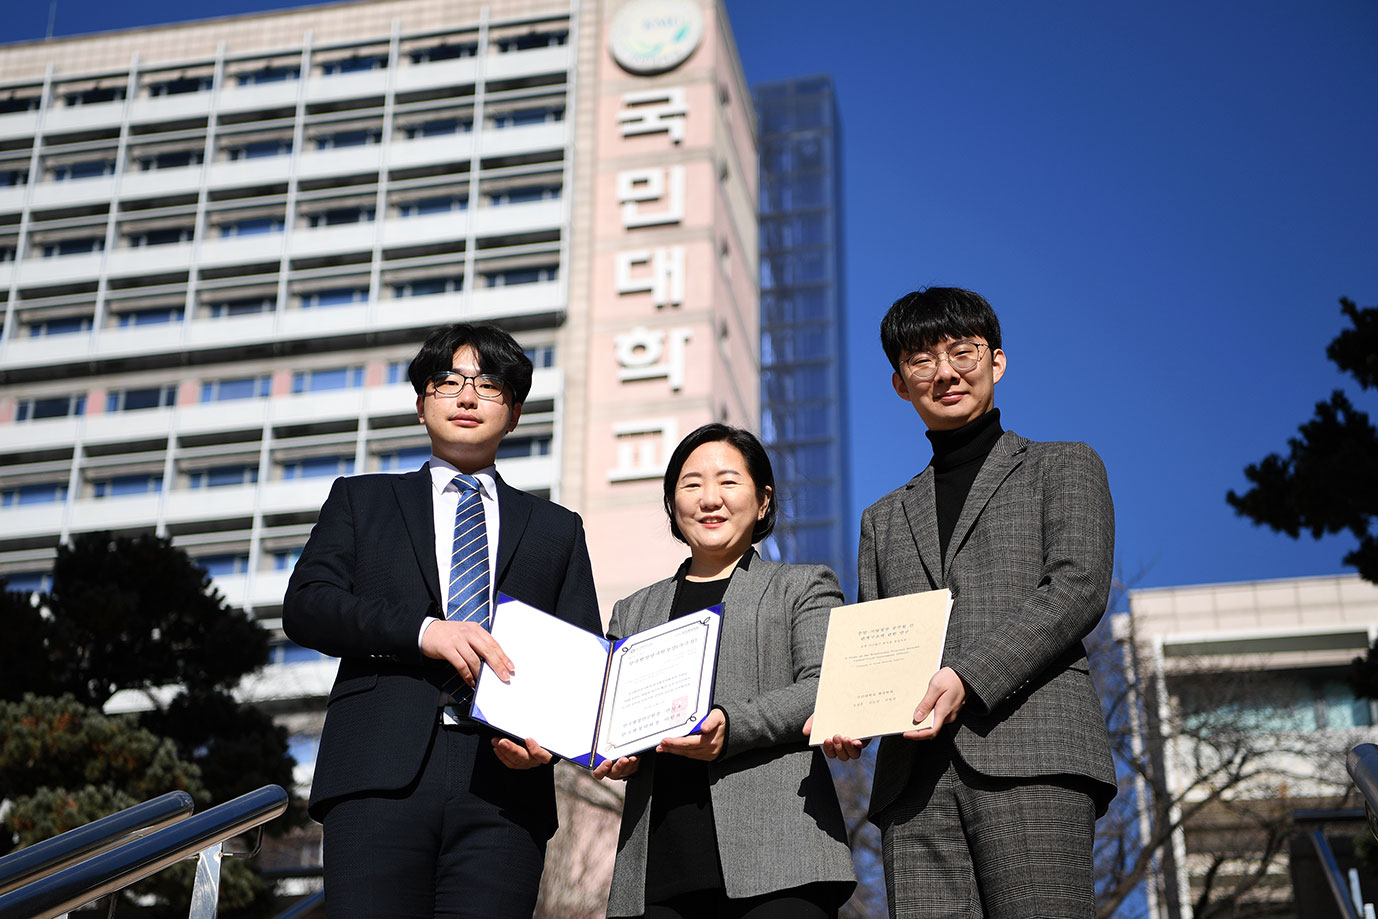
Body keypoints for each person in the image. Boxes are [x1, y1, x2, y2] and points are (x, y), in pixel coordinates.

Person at [814, 287, 1116, 918]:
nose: (945, 372)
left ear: (997, 361)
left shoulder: (1063, 466)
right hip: (913, 783)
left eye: (962, 352)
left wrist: (966, 677)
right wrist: (851, 720)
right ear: (900, 383)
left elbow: (1076, 588)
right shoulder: (884, 517)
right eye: (922, 361)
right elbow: (878, 640)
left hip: (1031, 756)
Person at [283, 322, 600, 919]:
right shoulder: (362, 499)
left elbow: (580, 654)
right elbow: (307, 606)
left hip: (506, 787)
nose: (467, 396)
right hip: (377, 771)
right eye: (448, 381)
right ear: (421, 404)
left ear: (515, 413)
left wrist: (550, 746)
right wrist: (425, 631)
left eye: (489, 385)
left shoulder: (558, 529)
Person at [597, 423, 856, 919]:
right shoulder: (633, 611)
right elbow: (606, 713)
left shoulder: (801, 586)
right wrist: (609, 752)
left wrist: (732, 726)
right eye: (691, 484)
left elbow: (825, 686)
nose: (709, 498)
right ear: (673, 505)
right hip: (659, 869)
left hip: (782, 860)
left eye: (728, 481)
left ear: (762, 501)